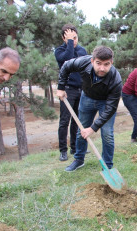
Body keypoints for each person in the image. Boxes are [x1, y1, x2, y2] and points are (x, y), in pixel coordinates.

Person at [57, 46, 122, 172]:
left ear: (111, 63)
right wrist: (61, 87)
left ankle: (107, 166)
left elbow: (111, 109)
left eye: (106, 64)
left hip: (106, 103)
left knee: (107, 134)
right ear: (92, 61)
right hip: (86, 98)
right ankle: (79, 159)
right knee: (81, 130)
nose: (102, 68)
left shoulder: (116, 80)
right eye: (98, 63)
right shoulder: (83, 62)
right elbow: (66, 66)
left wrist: (93, 129)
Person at [55, 24, 87, 161]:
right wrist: (69, 44)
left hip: (81, 89)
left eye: (75, 37)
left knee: (77, 121)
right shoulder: (59, 51)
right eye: (69, 38)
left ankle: (75, 148)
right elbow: (67, 60)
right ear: (64, 38)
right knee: (64, 121)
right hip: (67, 90)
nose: (73, 41)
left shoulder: (82, 50)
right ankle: (63, 150)